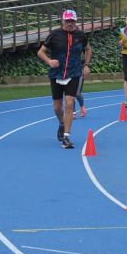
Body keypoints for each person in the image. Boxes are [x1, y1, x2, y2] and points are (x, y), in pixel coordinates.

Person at [37, 9, 91, 149]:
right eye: (68, 21)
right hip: (56, 74)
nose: (70, 24)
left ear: (76, 22)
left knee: (69, 103)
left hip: (74, 73)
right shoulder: (54, 35)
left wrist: (85, 65)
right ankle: (62, 123)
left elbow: (88, 49)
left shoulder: (80, 36)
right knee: (57, 106)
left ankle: (66, 136)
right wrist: (49, 61)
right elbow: (40, 52)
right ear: (63, 21)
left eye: (72, 21)